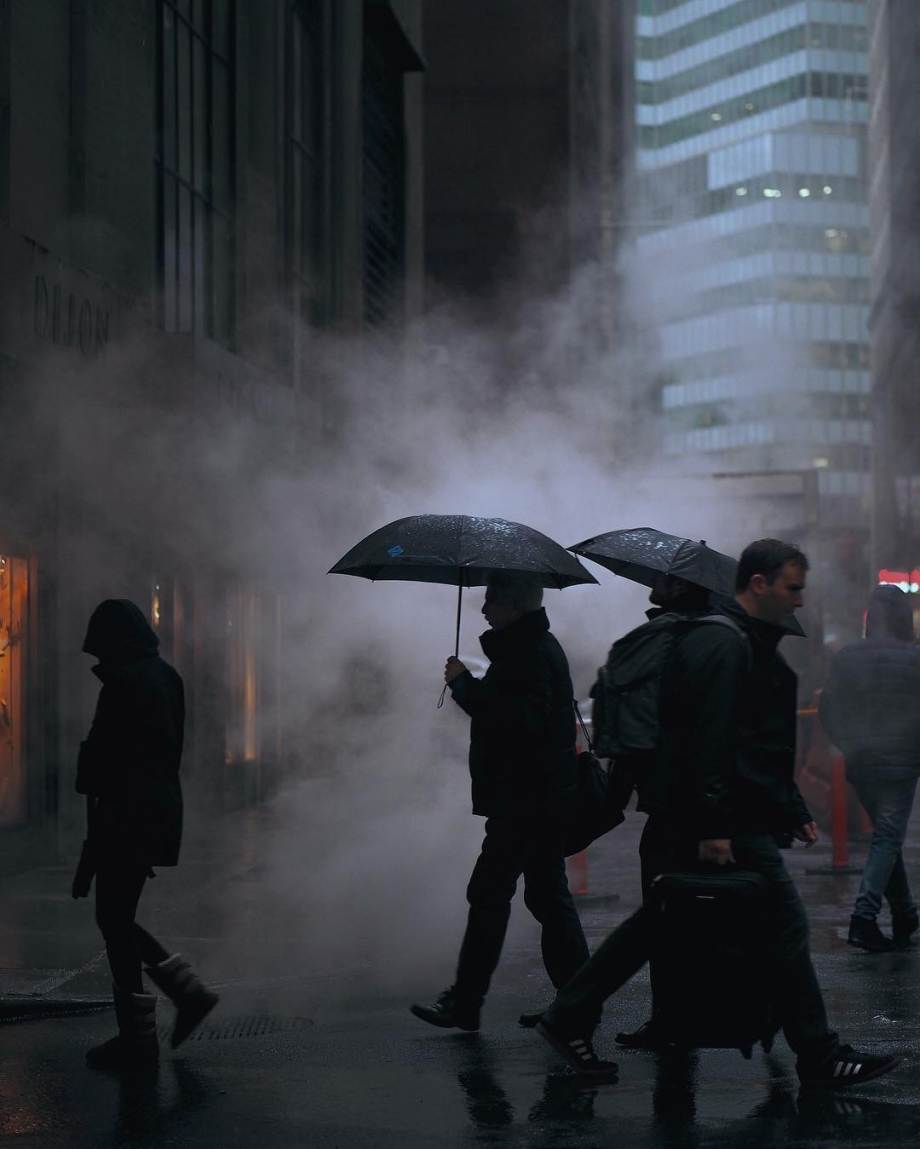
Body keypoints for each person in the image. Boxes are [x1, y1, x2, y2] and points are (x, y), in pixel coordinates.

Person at [535, 540, 901, 1088]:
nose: (800, 601)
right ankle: (818, 1056)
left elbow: (746, 742)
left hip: (712, 814)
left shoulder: (726, 641)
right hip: (720, 818)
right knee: (784, 929)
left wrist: (788, 805)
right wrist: (716, 827)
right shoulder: (722, 644)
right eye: (792, 588)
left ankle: (567, 1015)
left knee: (660, 924)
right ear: (758, 584)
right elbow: (711, 740)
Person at [410, 572, 590, 1032]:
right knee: (549, 900)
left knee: (490, 894)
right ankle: (576, 1005)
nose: (484, 607)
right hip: (539, 797)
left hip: (525, 800)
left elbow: (515, 721)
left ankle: (467, 1003)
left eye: (491, 599)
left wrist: (464, 685)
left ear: (513, 605)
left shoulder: (525, 653)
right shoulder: (530, 647)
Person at [73, 599, 218, 1069]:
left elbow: (103, 763)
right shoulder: (164, 676)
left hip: (125, 813)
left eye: (100, 651)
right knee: (117, 916)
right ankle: (173, 1002)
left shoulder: (124, 683)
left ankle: (146, 1030)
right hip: (154, 809)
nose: (97, 661)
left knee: (114, 917)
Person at [820, 584, 920, 952]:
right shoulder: (915, 657)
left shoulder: (847, 657)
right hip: (902, 761)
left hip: (862, 760)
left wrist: (847, 744)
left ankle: (905, 913)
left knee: (885, 836)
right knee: (888, 837)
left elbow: (830, 709)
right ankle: (864, 916)